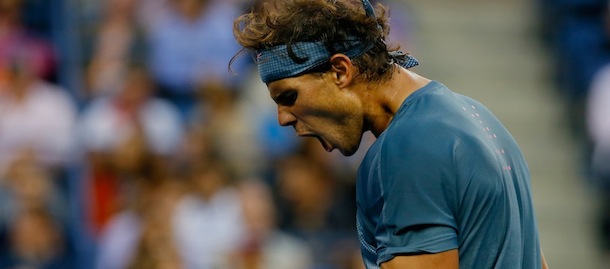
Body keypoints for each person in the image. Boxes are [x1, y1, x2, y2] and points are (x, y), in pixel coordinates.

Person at [231, 0, 548, 268]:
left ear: (341, 71)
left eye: (288, 97)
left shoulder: (408, 148)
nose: (283, 118)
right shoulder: (478, 116)